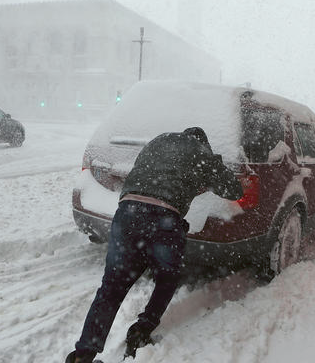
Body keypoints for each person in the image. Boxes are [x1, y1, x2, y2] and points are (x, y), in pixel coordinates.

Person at [66, 127, 243, 363]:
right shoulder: (202, 153)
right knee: (167, 278)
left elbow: (147, 175)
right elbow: (233, 190)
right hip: (164, 218)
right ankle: (141, 330)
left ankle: (83, 354)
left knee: (111, 287)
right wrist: (213, 166)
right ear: (203, 143)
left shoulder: (158, 142)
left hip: (127, 213)